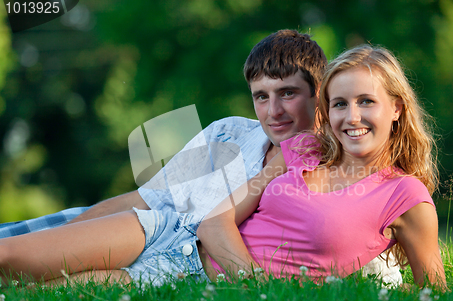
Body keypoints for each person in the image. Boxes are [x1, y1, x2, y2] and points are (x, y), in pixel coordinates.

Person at [0, 32, 401, 286]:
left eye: (288, 93)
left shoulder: (329, 166)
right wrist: (64, 234)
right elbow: (145, 199)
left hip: (181, 266)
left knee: (29, 290)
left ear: (320, 95)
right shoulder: (227, 133)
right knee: (14, 250)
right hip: (153, 228)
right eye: (261, 96)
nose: (273, 111)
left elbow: (350, 235)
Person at [197, 45, 446, 287]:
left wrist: (261, 296)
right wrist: (257, 286)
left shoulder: (404, 194)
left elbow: (435, 294)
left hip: (217, 290)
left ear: (396, 109)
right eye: (340, 104)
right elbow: (214, 223)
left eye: (366, 101)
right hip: (182, 258)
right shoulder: (306, 148)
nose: (352, 117)